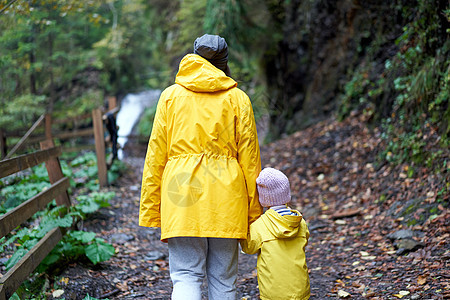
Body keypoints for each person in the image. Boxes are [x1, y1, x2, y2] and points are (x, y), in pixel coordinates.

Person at [139, 34, 262, 300]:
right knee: (224, 280)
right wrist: (254, 213)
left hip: (181, 196)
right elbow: (250, 161)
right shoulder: (238, 99)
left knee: (185, 276)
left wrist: (152, 208)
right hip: (227, 200)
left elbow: (155, 156)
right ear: (224, 63)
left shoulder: (170, 97)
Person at [240, 167, 310, 300]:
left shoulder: (261, 225)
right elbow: (304, 241)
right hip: (301, 291)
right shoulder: (300, 221)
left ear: (263, 197)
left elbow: (248, 248)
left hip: (273, 293)